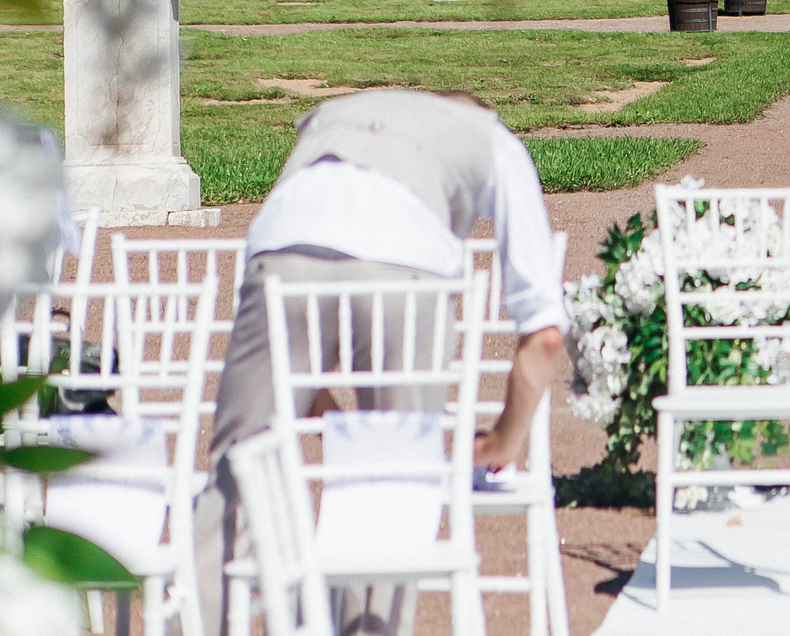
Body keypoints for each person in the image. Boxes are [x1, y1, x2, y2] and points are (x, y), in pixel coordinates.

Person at [194, 89, 568, 636]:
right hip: (406, 264)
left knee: (237, 470)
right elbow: (546, 335)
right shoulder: (492, 138)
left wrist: (323, 410)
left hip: (280, 253)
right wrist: (501, 444)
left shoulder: (330, 116)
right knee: (395, 478)